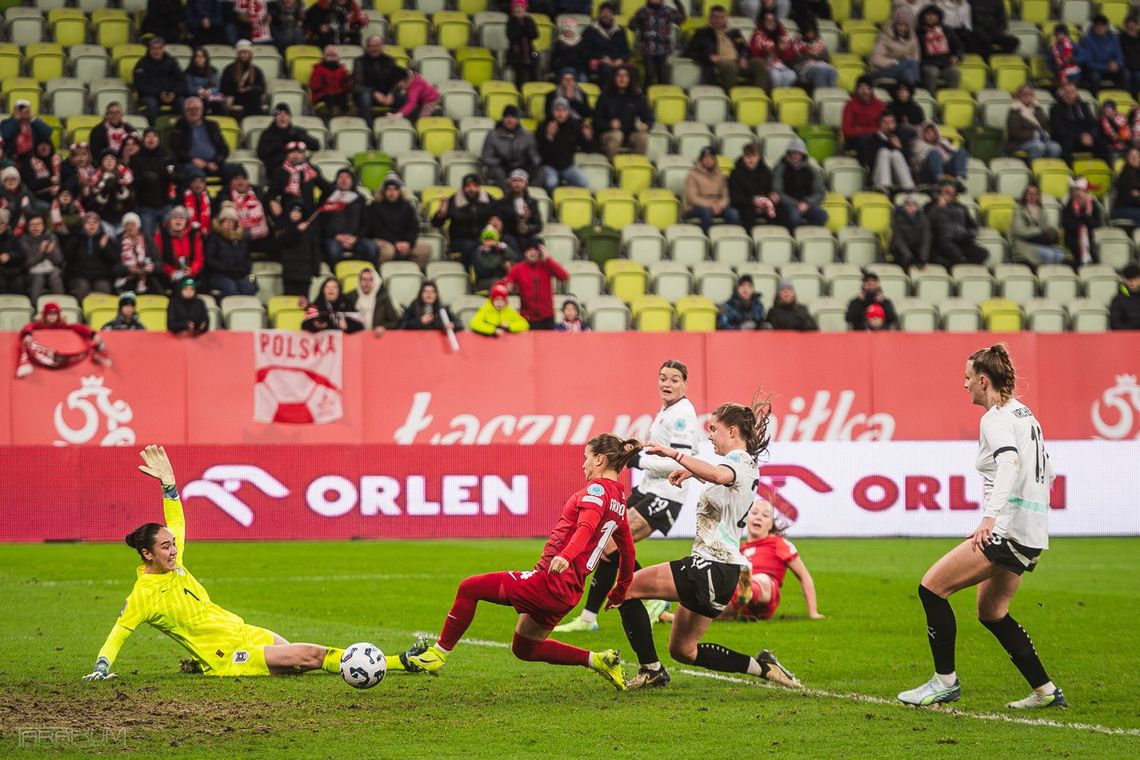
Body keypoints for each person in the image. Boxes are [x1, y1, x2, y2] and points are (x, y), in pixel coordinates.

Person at [82, 445, 361, 681]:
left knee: (297, 661)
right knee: (311, 655)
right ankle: (397, 661)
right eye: (166, 546)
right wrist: (102, 667)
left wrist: (169, 486)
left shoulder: (174, 561)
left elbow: (176, 521)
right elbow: (118, 634)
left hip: (243, 633)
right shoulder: (144, 595)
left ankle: (199, 663)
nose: (174, 550)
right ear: (147, 554)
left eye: (174, 544)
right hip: (228, 656)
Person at [398, 435, 642, 690]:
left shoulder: (597, 490)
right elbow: (628, 550)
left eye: (586, 458)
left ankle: (436, 655)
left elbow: (585, 526)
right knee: (525, 647)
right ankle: (597, 660)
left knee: (470, 588)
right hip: (570, 592)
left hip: (549, 581)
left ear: (600, 459)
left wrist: (565, 556)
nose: (583, 465)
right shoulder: (619, 500)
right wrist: (620, 590)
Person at [898, 345, 1065, 710]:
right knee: (992, 611)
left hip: (1006, 530)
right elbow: (1047, 470)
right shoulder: (1024, 414)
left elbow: (1009, 463)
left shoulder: (995, 418)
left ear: (983, 380)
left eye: (968, 377)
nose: (965, 384)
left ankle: (944, 682)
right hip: (1031, 530)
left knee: (931, 589)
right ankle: (1045, 691)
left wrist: (991, 515)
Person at [614, 396, 801, 690]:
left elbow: (717, 474)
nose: (710, 435)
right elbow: (721, 482)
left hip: (710, 566)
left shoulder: (737, 461)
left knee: (626, 588)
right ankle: (763, 666)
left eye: (714, 429)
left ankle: (650, 669)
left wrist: (673, 455)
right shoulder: (739, 464)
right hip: (722, 572)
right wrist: (691, 472)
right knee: (684, 651)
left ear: (733, 432)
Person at [556, 359, 701, 634]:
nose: (667, 384)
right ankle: (589, 617)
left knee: (610, 544)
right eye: (663, 378)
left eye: (674, 379)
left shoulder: (682, 415)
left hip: (667, 494)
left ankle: (653, 598)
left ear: (685, 383)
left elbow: (679, 461)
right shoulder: (668, 409)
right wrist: (637, 451)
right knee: (609, 546)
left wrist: (637, 462)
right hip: (648, 490)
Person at [717, 499, 823, 621]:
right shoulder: (740, 550)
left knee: (762, 579)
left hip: (766, 595)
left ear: (770, 524)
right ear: (746, 518)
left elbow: (804, 576)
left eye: (765, 515)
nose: (759, 517)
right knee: (715, 608)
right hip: (741, 603)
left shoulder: (778, 543)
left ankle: (747, 590)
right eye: (754, 513)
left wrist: (813, 612)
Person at [364, 175, 431, 270]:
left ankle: (409, 273)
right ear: (384, 191)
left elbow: (413, 228)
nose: (392, 192)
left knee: (425, 249)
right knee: (388, 251)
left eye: (395, 189)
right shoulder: (375, 207)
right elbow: (376, 230)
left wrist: (408, 243)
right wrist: (395, 243)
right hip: (383, 241)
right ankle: (381, 275)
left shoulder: (407, 207)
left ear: (399, 191)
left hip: (404, 243)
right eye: (388, 189)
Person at [686, 6, 758, 91]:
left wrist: (743, 57)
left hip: (738, 62)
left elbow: (744, 48)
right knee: (730, 67)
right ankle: (732, 95)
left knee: (758, 63)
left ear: (725, 18)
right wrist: (708, 56)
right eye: (715, 17)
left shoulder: (734, 32)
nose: (718, 20)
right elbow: (689, 51)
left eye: (721, 17)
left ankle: (760, 94)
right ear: (710, 18)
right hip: (719, 63)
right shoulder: (702, 33)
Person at [431, 174, 497, 267]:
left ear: (479, 187)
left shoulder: (488, 199)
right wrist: (441, 214)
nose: (471, 189)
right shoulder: (453, 200)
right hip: (459, 240)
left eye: (475, 186)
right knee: (471, 247)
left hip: (482, 237)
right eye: (468, 186)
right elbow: (436, 224)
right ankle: (467, 274)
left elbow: (497, 215)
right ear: (463, 187)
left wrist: (496, 221)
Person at [503, 240, 568, 330]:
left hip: (547, 318)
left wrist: (548, 258)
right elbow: (506, 282)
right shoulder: (518, 268)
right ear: (525, 253)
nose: (533, 252)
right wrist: (508, 286)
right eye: (530, 249)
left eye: (536, 249)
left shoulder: (547, 265)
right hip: (527, 318)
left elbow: (564, 276)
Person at [593, 66, 653, 160]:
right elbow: (596, 121)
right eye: (619, 75)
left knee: (642, 137)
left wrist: (647, 125)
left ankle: (636, 167)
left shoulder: (638, 96)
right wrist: (610, 124)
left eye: (625, 76)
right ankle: (612, 167)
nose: (622, 78)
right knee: (617, 135)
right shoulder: (605, 96)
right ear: (614, 78)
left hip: (630, 133)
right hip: (608, 133)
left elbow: (649, 117)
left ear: (630, 79)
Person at [318, 168, 376, 265]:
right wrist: (336, 236)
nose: (344, 180)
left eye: (347, 177)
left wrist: (355, 237)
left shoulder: (360, 199)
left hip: (355, 237)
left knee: (370, 247)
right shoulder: (327, 198)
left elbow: (366, 222)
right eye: (340, 177)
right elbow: (321, 222)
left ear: (353, 180)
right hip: (333, 237)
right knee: (333, 250)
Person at [481, 106, 543, 191]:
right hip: (502, 167)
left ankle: (528, 194)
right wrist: (500, 161)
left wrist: (531, 161)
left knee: (540, 172)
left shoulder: (528, 135)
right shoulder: (493, 135)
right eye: (507, 117)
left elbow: (535, 157)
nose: (510, 120)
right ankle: (508, 195)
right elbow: (486, 157)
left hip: (521, 166)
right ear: (503, 119)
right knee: (498, 172)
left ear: (518, 119)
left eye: (513, 117)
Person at [927, 180, 987, 267]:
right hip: (942, 242)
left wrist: (969, 234)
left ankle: (964, 268)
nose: (949, 195)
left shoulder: (961, 208)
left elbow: (972, 225)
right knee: (957, 256)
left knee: (982, 253)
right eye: (946, 192)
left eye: (952, 193)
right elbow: (927, 222)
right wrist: (938, 207)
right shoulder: (931, 206)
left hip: (962, 240)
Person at [538, 99, 593, 193]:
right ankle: (553, 205)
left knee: (582, 182)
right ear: (552, 111)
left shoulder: (574, 125)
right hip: (549, 166)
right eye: (557, 110)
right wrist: (549, 137)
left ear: (568, 111)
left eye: (564, 110)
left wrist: (587, 137)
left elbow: (586, 149)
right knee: (551, 183)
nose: (560, 113)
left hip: (568, 166)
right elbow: (540, 152)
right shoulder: (543, 125)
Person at [772, 138, 828, 229]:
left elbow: (820, 192)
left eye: (798, 153)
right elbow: (777, 191)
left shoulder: (812, 170)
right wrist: (796, 204)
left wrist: (807, 202)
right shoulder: (780, 168)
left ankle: (807, 234)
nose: (795, 156)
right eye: (793, 152)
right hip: (788, 203)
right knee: (794, 217)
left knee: (822, 215)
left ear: (803, 154)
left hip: (807, 204)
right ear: (788, 153)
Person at [215, 167, 272, 255]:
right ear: (231, 182)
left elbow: (268, 209)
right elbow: (220, 209)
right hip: (235, 235)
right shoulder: (225, 193)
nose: (240, 182)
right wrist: (226, 204)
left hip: (260, 232)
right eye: (236, 179)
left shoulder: (257, 191)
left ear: (248, 181)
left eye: (244, 179)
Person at [170, 98, 231, 179]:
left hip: (213, 164)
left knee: (237, 170)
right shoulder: (179, 126)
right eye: (190, 109)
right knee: (197, 176)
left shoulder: (212, 125)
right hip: (190, 164)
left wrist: (216, 162)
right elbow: (175, 149)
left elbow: (224, 148)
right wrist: (192, 160)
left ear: (202, 110)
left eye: (196, 109)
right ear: (184, 112)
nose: (193, 112)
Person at [629, 0, 686, 86]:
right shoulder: (643, 11)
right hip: (648, 49)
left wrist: (677, 3)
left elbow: (681, 19)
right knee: (650, 76)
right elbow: (631, 26)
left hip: (664, 49)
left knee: (663, 78)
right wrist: (638, 22)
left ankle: (661, 96)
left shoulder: (668, 11)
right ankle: (646, 96)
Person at [205, 204, 257, 298]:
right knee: (230, 287)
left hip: (241, 274)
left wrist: (245, 270)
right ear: (220, 222)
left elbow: (248, 259)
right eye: (225, 220)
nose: (229, 223)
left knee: (251, 284)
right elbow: (209, 260)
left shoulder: (242, 238)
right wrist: (227, 268)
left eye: (232, 220)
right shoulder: (214, 237)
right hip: (219, 274)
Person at [64, 212, 117, 301]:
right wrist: (73, 242)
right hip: (79, 275)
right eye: (88, 222)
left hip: (100, 275)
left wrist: (104, 247)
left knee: (104, 288)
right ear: (83, 224)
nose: (91, 225)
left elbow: (114, 259)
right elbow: (67, 257)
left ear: (99, 225)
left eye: (95, 223)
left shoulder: (105, 238)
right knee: (82, 287)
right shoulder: (76, 238)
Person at [684, 147, 739, 233]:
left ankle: (730, 238)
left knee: (733, 213)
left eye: (711, 158)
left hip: (717, 206)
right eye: (705, 158)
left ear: (715, 159)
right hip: (697, 208)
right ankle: (706, 239)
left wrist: (720, 205)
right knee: (706, 212)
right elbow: (693, 198)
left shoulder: (721, 175)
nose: (708, 160)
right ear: (701, 160)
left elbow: (726, 196)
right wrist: (711, 205)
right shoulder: (692, 175)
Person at [352, 36, 405, 125]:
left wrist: (391, 94)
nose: (374, 49)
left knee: (405, 98)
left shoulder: (390, 60)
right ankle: (368, 128)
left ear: (382, 47)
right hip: (369, 95)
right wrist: (374, 93)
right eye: (371, 46)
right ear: (367, 47)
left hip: (387, 95)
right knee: (365, 97)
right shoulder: (359, 61)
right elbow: (357, 86)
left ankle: (400, 126)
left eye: (377, 46)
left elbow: (396, 81)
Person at [728, 143, 782, 230]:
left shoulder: (765, 171)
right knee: (748, 213)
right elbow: (735, 197)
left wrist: (772, 195)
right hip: (745, 205)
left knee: (781, 210)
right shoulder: (735, 173)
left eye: (753, 156)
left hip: (764, 204)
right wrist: (752, 201)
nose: (750, 159)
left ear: (759, 157)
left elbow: (769, 189)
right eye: (747, 156)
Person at [1011, 184, 1066, 268]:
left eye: (1035, 194)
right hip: (1024, 243)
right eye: (1030, 193)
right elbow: (1019, 231)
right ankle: (1045, 274)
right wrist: (1039, 231)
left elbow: (1048, 227)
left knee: (1060, 254)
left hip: (1040, 242)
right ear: (1025, 195)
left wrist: (1048, 231)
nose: (1033, 196)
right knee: (1049, 255)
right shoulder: (1019, 210)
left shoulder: (1042, 211)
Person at [268, 142, 330, 217]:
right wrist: (273, 202)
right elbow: (271, 193)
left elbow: (327, 188)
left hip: (308, 212)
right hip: (287, 211)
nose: (295, 155)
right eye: (292, 152)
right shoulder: (280, 171)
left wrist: (318, 205)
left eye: (299, 152)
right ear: (287, 154)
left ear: (304, 155)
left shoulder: (311, 170)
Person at [134, 38, 187, 124]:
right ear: (149, 50)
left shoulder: (172, 62)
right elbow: (140, 85)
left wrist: (174, 93)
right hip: (150, 95)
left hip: (171, 95)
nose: (157, 51)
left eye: (159, 48)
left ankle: (180, 128)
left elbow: (182, 81)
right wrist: (159, 93)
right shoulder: (142, 64)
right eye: (154, 48)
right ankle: (152, 130)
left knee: (182, 102)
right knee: (152, 104)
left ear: (163, 49)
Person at [276, 201, 321, 298]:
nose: (296, 214)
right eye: (293, 211)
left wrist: (316, 269)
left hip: (305, 273)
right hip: (289, 273)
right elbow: (285, 241)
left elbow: (315, 250)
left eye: (298, 212)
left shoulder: (310, 230)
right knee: (289, 302)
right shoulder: (283, 227)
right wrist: (297, 230)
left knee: (304, 302)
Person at [257, 104, 320, 172]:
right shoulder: (267, 134)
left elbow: (316, 146)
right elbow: (261, 153)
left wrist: (299, 136)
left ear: (290, 117)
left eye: (286, 114)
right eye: (279, 114)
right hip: (278, 168)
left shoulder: (297, 132)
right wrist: (281, 142)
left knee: (315, 171)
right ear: (275, 118)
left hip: (299, 165)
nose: (283, 116)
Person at [1006, 85, 1062, 160]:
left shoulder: (1038, 109)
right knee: (1039, 147)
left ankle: (1048, 168)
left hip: (1041, 139)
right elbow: (1014, 132)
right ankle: (1032, 166)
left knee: (1055, 147)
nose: (1027, 96)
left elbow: (1046, 125)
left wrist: (1046, 134)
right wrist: (1034, 135)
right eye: (1024, 94)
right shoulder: (1014, 110)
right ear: (1019, 96)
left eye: (1030, 94)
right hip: (1020, 142)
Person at [842, 76, 887, 170]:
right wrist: (871, 130)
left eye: (867, 88)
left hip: (876, 138)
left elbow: (884, 128)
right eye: (861, 88)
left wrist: (861, 129)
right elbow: (847, 131)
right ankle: (868, 171)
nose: (864, 91)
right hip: (855, 140)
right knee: (867, 139)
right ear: (857, 89)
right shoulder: (850, 105)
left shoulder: (880, 105)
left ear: (871, 90)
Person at [1079, 15, 1130, 95]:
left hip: (1111, 69)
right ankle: (1096, 98)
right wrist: (1106, 67)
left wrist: (1117, 64)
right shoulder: (1087, 40)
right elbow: (1088, 62)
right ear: (1094, 27)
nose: (1100, 28)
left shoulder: (1114, 38)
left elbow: (1120, 56)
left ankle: (1122, 97)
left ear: (1107, 27)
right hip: (1095, 69)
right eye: (1097, 26)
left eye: (1102, 26)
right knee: (1094, 76)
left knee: (1126, 73)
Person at [581, 3, 630, 85]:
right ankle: (608, 95)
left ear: (613, 15)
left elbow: (625, 51)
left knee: (632, 71)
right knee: (607, 70)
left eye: (609, 12)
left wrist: (621, 59)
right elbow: (585, 51)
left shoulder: (620, 30)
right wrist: (601, 58)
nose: (606, 15)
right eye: (604, 12)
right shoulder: (590, 30)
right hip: (600, 62)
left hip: (616, 62)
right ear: (599, 14)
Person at [916, 5, 962, 94]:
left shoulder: (947, 30)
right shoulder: (918, 31)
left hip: (945, 63)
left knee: (955, 73)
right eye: (928, 14)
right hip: (926, 63)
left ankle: (949, 98)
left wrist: (956, 56)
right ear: (923, 16)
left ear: (938, 17)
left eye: (934, 15)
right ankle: (931, 97)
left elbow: (958, 46)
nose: (931, 17)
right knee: (932, 72)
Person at [783, 17, 838, 91]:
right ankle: (821, 95)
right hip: (802, 68)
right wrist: (806, 53)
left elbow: (827, 58)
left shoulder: (819, 40)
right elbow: (792, 61)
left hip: (819, 64)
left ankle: (831, 94)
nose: (810, 33)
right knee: (820, 71)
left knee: (832, 70)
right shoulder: (796, 40)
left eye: (812, 31)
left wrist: (818, 53)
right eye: (808, 31)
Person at [20, 213, 64, 304]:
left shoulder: (51, 236)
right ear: (28, 227)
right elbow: (27, 264)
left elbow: (58, 261)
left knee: (55, 276)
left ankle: (60, 307)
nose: (36, 227)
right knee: (38, 278)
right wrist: (41, 252)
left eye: (39, 224)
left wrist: (52, 251)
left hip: (51, 269)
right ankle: (35, 308)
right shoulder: (24, 240)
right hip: (32, 272)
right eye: (32, 225)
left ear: (43, 225)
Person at [155, 206, 204, 286]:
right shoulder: (161, 235)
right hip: (168, 276)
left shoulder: (194, 235)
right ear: (170, 221)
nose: (178, 221)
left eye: (182, 218)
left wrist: (192, 270)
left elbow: (199, 258)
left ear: (186, 221)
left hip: (190, 274)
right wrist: (171, 272)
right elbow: (158, 260)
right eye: (174, 218)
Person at [1061, 177, 1105, 266]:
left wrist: (1084, 217)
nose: (1078, 193)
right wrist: (1082, 220)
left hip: (1091, 238)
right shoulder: (1068, 205)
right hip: (1073, 239)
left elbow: (1097, 223)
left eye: (1081, 190)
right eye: (1076, 190)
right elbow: (1067, 224)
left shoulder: (1093, 206)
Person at [345, 265, 400, 337]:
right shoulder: (350, 297)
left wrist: (384, 327)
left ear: (375, 281)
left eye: (370, 279)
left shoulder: (383, 298)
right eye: (364, 279)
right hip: (355, 338)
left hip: (376, 339)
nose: (367, 283)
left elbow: (395, 321)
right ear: (359, 281)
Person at [114, 213, 162, 294]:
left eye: (133, 224)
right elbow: (113, 265)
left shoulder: (148, 240)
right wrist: (127, 269)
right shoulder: (118, 241)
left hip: (146, 277)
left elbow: (159, 263)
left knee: (156, 289)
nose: (130, 227)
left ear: (138, 226)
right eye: (127, 224)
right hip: (125, 277)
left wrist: (152, 267)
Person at [496, 169, 544, 252]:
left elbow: (538, 226)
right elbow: (501, 224)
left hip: (527, 237)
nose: (517, 184)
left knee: (538, 242)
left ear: (526, 184)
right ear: (510, 183)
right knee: (509, 241)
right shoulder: (502, 202)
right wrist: (516, 218)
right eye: (514, 180)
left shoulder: (532, 203)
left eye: (520, 181)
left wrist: (527, 228)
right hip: (510, 236)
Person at [872, 8, 921, 87]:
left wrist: (906, 60)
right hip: (883, 71)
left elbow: (916, 58)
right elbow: (876, 60)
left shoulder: (913, 39)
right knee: (911, 63)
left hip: (904, 70)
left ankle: (910, 90)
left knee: (907, 72)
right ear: (894, 24)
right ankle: (917, 85)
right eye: (899, 25)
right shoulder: (884, 37)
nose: (902, 28)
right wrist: (895, 61)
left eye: (906, 26)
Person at [1050, 82, 1099, 161]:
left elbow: (1093, 124)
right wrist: (1079, 137)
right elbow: (1059, 130)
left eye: (1072, 92)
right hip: (1068, 139)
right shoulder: (1055, 109)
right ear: (1062, 94)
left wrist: (1090, 135)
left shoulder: (1084, 106)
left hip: (1085, 138)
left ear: (1076, 93)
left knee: (1101, 142)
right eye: (1067, 93)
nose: (1070, 95)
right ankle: (1069, 170)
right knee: (1066, 143)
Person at [749, 10, 797, 90]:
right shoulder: (757, 35)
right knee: (776, 76)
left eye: (773, 20)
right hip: (765, 65)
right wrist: (765, 50)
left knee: (792, 75)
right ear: (763, 22)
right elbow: (754, 54)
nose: (771, 23)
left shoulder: (782, 36)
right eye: (768, 20)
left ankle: (781, 97)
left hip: (779, 65)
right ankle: (774, 96)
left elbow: (789, 57)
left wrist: (783, 50)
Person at [868, 112, 915, 193]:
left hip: (897, 178)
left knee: (896, 154)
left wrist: (900, 148)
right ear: (880, 124)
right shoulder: (873, 138)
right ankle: (885, 187)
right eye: (885, 123)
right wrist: (886, 141)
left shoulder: (900, 137)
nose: (889, 126)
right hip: (878, 177)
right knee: (884, 152)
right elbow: (870, 162)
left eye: (891, 122)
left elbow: (908, 161)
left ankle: (909, 187)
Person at [912, 120, 969, 186]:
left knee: (961, 152)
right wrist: (936, 151)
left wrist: (943, 143)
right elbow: (920, 160)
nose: (930, 133)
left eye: (932, 131)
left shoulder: (942, 142)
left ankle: (959, 179)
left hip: (945, 167)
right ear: (922, 133)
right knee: (934, 153)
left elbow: (954, 151)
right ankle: (940, 179)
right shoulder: (918, 143)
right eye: (927, 132)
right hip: (927, 172)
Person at [220, 39, 267, 118]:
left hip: (251, 97)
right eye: (242, 52)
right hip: (235, 98)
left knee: (254, 96)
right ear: (238, 54)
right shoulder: (229, 69)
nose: (245, 55)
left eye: (247, 52)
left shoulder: (256, 70)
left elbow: (262, 88)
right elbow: (223, 88)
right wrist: (236, 91)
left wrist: (251, 88)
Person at [310, 45, 353, 119]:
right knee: (331, 97)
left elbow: (346, 86)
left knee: (343, 97)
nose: (332, 58)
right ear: (324, 57)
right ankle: (336, 117)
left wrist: (348, 79)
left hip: (339, 94)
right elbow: (315, 86)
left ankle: (345, 118)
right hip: (323, 94)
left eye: (334, 55)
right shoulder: (318, 69)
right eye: (329, 55)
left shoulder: (342, 69)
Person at [889, 194, 931, 269]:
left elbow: (926, 238)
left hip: (916, 251)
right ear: (904, 206)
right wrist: (907, 255)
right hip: (900, 251)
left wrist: (923, 256)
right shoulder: (897, 217)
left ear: (917, 207)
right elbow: (898, 239)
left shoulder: (923, 218)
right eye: (908, 204)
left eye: (913, 204)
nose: (911, 207)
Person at [471, 225, 515, 293]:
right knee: (497, 282)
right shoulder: (479, 252)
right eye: (487, 240)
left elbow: (514, 257)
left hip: (499, 279)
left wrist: (505, 249)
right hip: (483, 281)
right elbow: (488, 267)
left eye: (492, 239)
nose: (490, 242)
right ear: (482, 241)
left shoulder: (499, 250)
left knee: (509, 267)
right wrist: (500, 260)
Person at [184, 47, 225, 116]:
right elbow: (189, 88)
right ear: (194, 59)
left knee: (219, 104)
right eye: (197, 56)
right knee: (201, 103)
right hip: (195, 96)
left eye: (202, 56)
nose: (200, 59)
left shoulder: (213, 71)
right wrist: (200, 91)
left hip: (211, 96)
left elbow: (217, 87)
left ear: (206, 58)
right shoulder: (188, 72)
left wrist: (209, 91)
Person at [506, 0, 539, 85]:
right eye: (517, 7)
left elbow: (535, 35)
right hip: (516, 53)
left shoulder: (529, 20)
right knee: (519, 75)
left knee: (534, 70)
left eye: (521, 7)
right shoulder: (511, 20)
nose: (519, 9)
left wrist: (525, 26)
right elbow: (511, 36)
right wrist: (522, 31)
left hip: (531, 51)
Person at [550, 17, 588, 81]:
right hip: (563, 68)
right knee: (570, 75)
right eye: (566, 30)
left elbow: (584, 58)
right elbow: (554, 61)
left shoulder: (581, 43)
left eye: (569, 30)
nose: (567, 32)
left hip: (578, 69)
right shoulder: (558, 43)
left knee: (583, 79)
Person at [1112, 147, 1140, 225]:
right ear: (1127, 158)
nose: (1134, 158)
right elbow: (1126, 198)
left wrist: (1137, 195)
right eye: (1131, 156)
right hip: (1121, 209)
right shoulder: (1124, 175)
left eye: (1137, 156)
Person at [0, 209, 24, 295]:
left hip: (13, 271)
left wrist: (10, 256)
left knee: (17, 280)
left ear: (6, 225)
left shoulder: (13, 238)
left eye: (2, 223)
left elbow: (22, 255)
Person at [1110, 262, 1140, 329]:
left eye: (1135, 279)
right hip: (1126, 337)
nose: (1132, 283)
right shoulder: (1118, 300)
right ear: (1124, 280)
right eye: (1129, 280)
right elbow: (1115, 325)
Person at [1121, 16, 1140, 94]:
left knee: (1138, 76)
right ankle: (1127, 96)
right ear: (1125, 27)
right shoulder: (1121, 38)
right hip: (1126, 65)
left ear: (1136, 26)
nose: (1131, 28)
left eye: (1133, 26)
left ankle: (1136, 97)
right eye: (1129, 27)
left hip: (1138, 65)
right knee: (1127, 76)